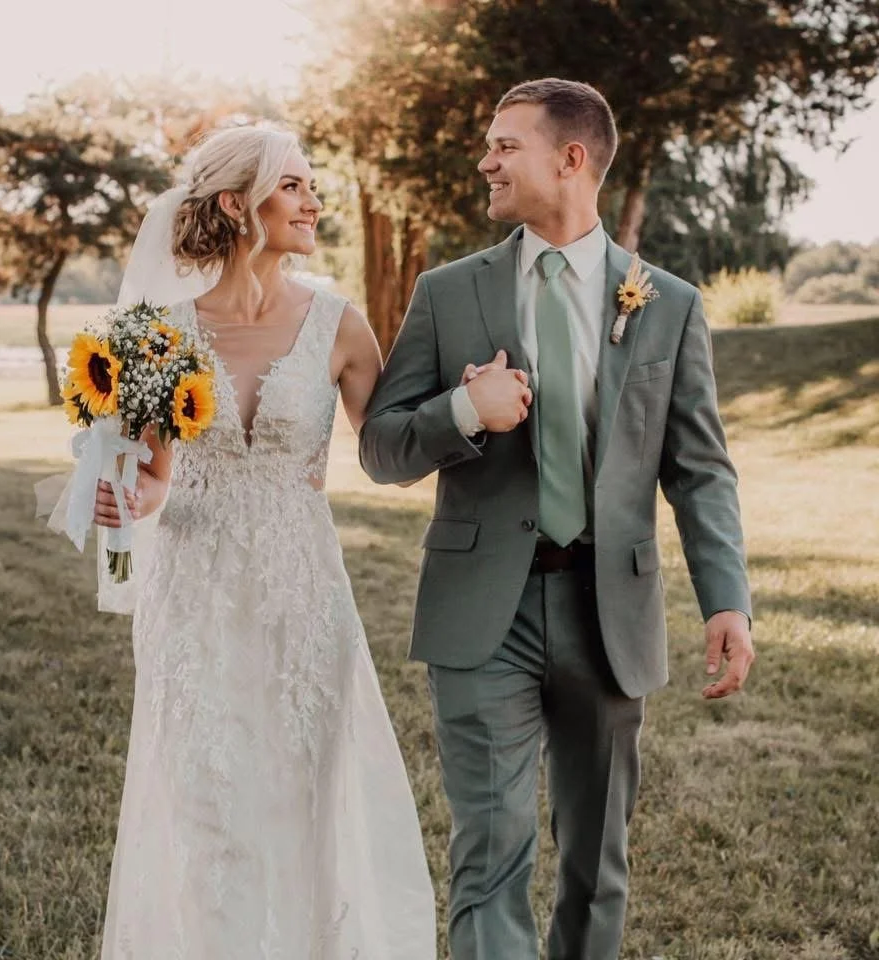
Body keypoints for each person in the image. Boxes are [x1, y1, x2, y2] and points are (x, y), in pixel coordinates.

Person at [359, 78, 755, 960]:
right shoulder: (447, 292)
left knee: (596, 865)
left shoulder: (671, 304)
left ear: (571, 159)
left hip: (609, 613)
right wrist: (463, 414)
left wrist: (727, 599)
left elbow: (700, 470)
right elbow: (382, 447)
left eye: (505, 145)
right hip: (479, 615)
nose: (486, 160)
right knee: (489, 856)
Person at [92, 124, 436, 958]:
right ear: (234, 204)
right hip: (194, 595)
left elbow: (391, 454)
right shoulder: (158, 334)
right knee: (209, 808)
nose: (314, 201)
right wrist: (131, 497)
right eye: (294, 185)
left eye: (312, 184)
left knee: (306, 797)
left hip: (303, 593)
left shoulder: (339, 324)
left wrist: (466, 411)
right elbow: (159, 477)